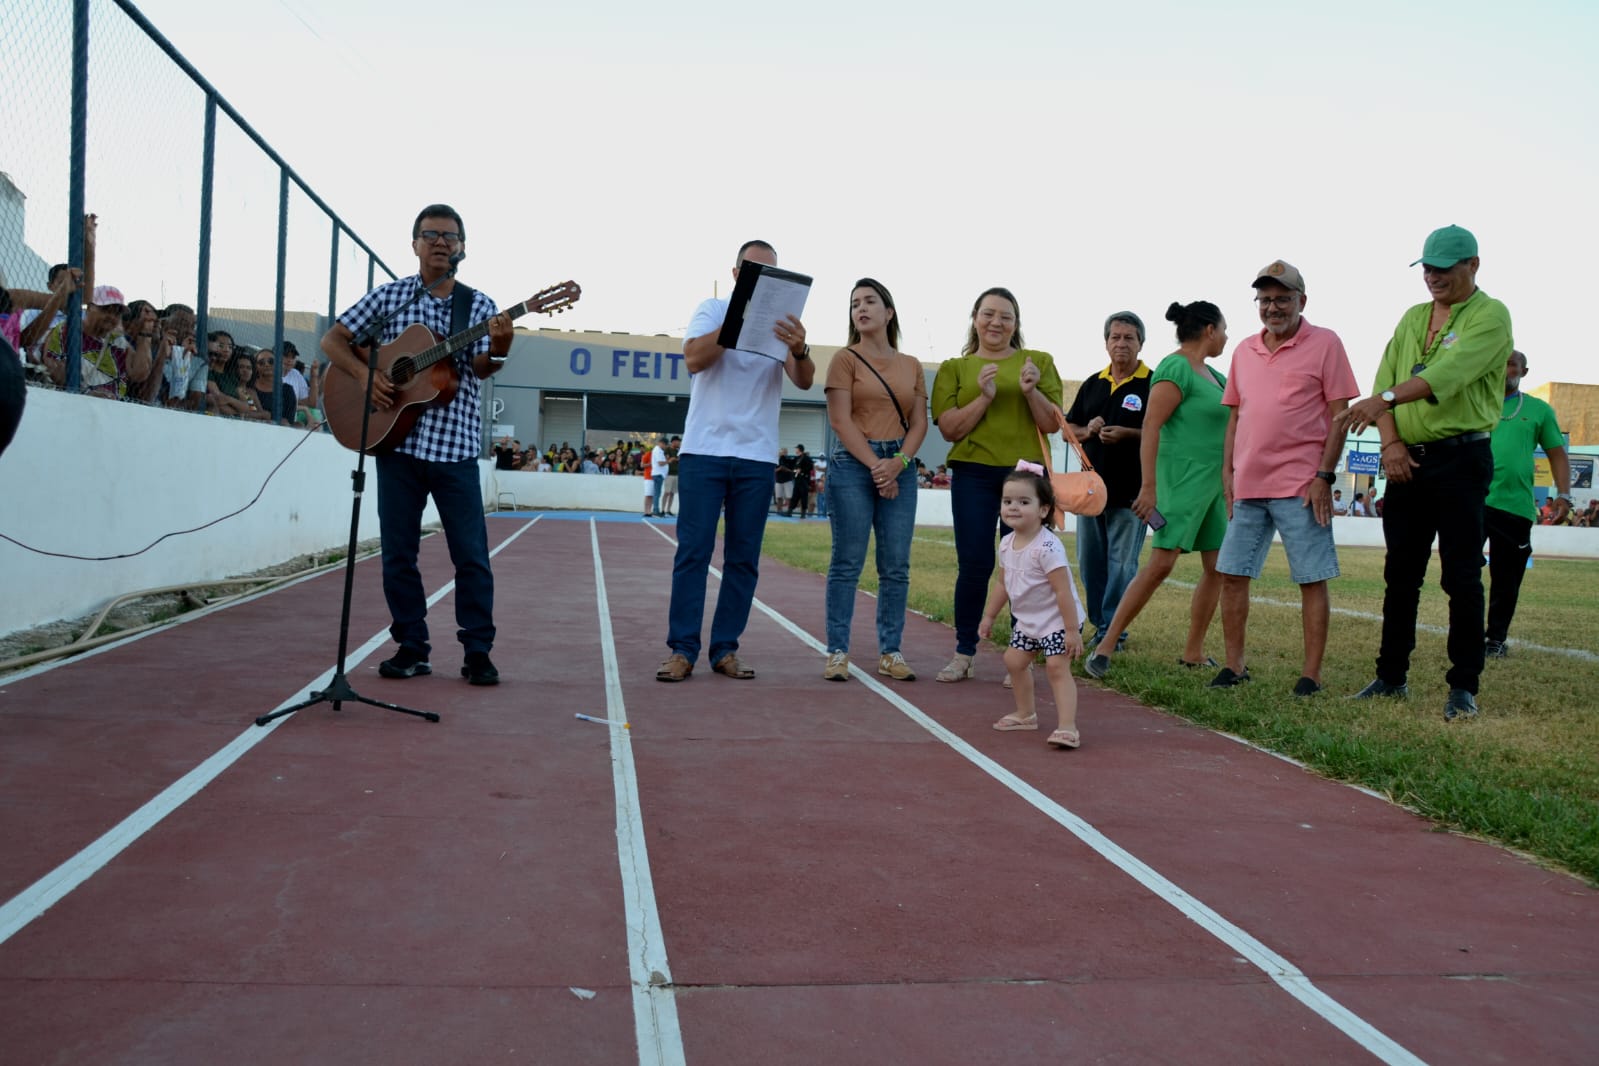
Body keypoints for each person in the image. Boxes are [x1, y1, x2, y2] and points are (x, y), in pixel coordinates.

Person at [321, 203, 513, 686]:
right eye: (431, 234)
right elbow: (334, 341)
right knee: (397, 553)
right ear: (415, 244)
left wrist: (501, 346)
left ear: (463, 248)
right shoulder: (391, 299)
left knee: (470, 555)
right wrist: (366, 377)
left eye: (450, 236)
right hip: (397, 446)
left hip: (455, 450)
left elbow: (483, 366)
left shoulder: (480, 307)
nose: (441, 242)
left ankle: (477, 650)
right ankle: (411, 646)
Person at [1337, 225, 1511, 722]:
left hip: (1461, 458)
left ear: (1472, 265)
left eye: (1444, 267)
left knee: (1461, 574)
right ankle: (1391, 676)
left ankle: (1463, 687)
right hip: (1405, 459)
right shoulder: (1413, 317)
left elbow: (1447, 374)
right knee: (1401, 574)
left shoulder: (1491, 316)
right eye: (1428, 268)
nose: (1433, 276)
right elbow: (1382, 381)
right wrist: (1389, 441)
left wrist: (1385, 402)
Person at [657, 239, 815, 682]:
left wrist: (799, 349)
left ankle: (725, 648)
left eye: (770, 271)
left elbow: (804, 381)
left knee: (744, 559)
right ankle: (682, 649)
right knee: (693, 552)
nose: (761, 277)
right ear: (736, 273)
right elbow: (694, 358)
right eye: (752, 269)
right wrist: (739, 318)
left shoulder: (785, 323)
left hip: (756, 456)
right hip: (704, 451)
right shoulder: (712, 309)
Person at [1212, 261, 1359, 695]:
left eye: (1282, 298)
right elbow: (1236, 417)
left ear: (1302, 301)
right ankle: (1234, 666)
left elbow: (1339, 417)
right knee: (1232, 574)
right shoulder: (1243, 350)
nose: (1273, 307)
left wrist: (1324, 476)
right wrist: (1228, 472)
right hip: (1248, 485)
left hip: (1302, 485)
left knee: (1311, 577)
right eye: (1265, 300)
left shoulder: (1327, 344)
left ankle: (1310, 675)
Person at [1085, 301, 1230, 679]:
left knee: (1217, 568)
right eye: (1224, 330)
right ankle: (1105, 645)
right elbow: (1151, 426)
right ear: (1210, 330)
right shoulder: (1174, 366)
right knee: (1160, 565)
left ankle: (1193, 651)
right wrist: (1148, 489)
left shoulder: (1216, 375)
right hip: (1181, 483)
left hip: (1214, 487)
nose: (1227, 338)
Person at [930, 286, 1064, 683]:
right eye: (988, 314)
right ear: (975, 318)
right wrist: (985, 398)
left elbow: (1052, 424)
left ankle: (1021, 655)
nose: (996, 322)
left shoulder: (1038, 362)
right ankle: (963, 652)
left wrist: (1030, 391)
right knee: (974, 564)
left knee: (1026, 566)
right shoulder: (956, 368)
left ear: (1016, 323)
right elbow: (950, 428)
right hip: (973, 472)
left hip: (1025, 475)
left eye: (1006, 316)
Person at [822, 277, 928, 683]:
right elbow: (839, 420)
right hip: (853, 464)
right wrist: (876, 467)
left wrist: (897, 463)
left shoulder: (912, 366)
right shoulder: (844, 360)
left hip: (898, 464)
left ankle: (890, 651)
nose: (860, 309)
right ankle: (837, 651)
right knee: (847, 562)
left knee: (896, 566)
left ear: (889, 312)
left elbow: (919, 423)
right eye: (854, 304)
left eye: (869, 302)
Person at [979, 464, 1086, 749]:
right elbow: (1003, 583)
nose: (1013, 507)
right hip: (1028, 621)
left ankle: (1068, 728)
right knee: (1014, 661)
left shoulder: (1047, 548)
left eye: (1024, 502)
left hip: (1058, 620)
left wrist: (1072, 630)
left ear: (1043, 510)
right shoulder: (1006, 543)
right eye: (1008, 501)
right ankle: (1026, 714)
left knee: (1056, 667)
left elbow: (1063, 591)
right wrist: (989, 615)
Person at [1065, 311, 1151, 651]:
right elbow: (1069, 429)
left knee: (1122, 565)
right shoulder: (1093, 383)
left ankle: (1114, 631)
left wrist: (1129, 434)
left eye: (1129, 337)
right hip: (1090, 493)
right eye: (1115, 337)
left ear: (1141, 343)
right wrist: (1089, 430)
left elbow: (1165, 434)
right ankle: (1101, 624)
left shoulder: (1153, 384)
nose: (1121, 343)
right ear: (1105, 343)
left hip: (1131, 492)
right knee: (1091, 562)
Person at [1484, 349, 1571, 658]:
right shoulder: (1474, 403)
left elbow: (1557, 453)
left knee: (1506, 578)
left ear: (1523, 372)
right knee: (1458, 571)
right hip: (1472, 501)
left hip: (1514, 506)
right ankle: (1466, 635)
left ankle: (1495, 639)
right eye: (1500, 363)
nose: (1505, 369)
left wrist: (1564, 493)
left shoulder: (1538, 410)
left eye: (1511, 364)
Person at [789, 443, 814, 518]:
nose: (795, 450)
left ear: (800, 449)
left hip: (804, 480)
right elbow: (791, 464)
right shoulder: (797, 458)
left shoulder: (806, 458)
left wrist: (802, 470)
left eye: (796, 449)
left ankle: (803, 514)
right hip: (797, 480)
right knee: (794, 496)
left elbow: (810, 466)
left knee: (804, 496)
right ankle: (789, 511)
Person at [660, 435, 680, 513]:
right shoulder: (667, 449)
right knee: (667, 492)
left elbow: (678, 459)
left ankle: (668, 510)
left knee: (672, 493)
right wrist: (674, 459)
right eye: (678, 441)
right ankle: (662, 509)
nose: (679, 443)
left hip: (676, 474)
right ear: (674, 441)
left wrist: (675, 459)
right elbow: (668, 459)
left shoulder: (678, 451)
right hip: (669, 474)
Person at [650, 437, 669, 516]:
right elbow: (660, 463)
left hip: (659, 474)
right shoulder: (657, 450)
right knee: (657, 493)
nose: (665, 446)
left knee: (657, 493)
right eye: (665, 445)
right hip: (658, 474)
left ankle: (656, 509)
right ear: (661, 443)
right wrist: (668, 461)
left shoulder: (659, 450)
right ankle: (656, 510)